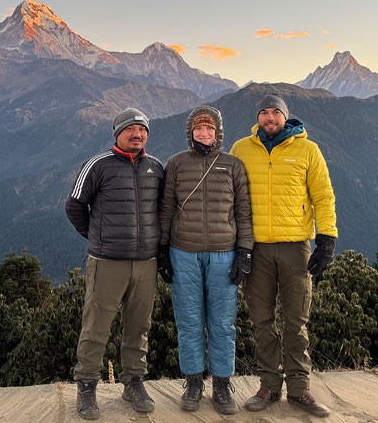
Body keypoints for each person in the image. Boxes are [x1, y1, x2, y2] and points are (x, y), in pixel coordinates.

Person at [229, 94, 338, 418]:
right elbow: (229, 196)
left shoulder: (308, 150)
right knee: (261, 321)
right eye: (263, 112)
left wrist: (327, 241)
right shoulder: (241, 149)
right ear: (258, 118)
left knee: (296, 322)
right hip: (255, 248)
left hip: (296, 247)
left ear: (285, 117)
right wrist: (234, 246)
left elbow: (323, 195)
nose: (269, 117)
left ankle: (300, 391)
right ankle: (269, 387)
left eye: (275, 112)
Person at [65, 107, 164, 420]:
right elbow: (75, 206)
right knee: (96, 326)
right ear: (117, 133)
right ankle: (87, 386)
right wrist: (98, 238)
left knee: (139, 325)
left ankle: (134, 381)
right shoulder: (98, 164)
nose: (137, 134)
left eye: (142, 129)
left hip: (146, 262)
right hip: (107, 262)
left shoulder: (156, 167)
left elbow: (163, 210)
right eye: (131, 129)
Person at [158, 106, 254, 414]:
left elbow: (243, 212)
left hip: (224, 253)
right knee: (188, 321)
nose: (204, 133)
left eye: (210, 129)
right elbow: (167, 208)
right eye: (199, 129)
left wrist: (245, 251)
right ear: (190, 133)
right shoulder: (175, 164)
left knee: (223, 323)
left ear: (219, 132)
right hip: (182, 251)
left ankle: (223, 384)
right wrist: (162, 250)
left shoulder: (233, 166)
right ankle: (194, 382)